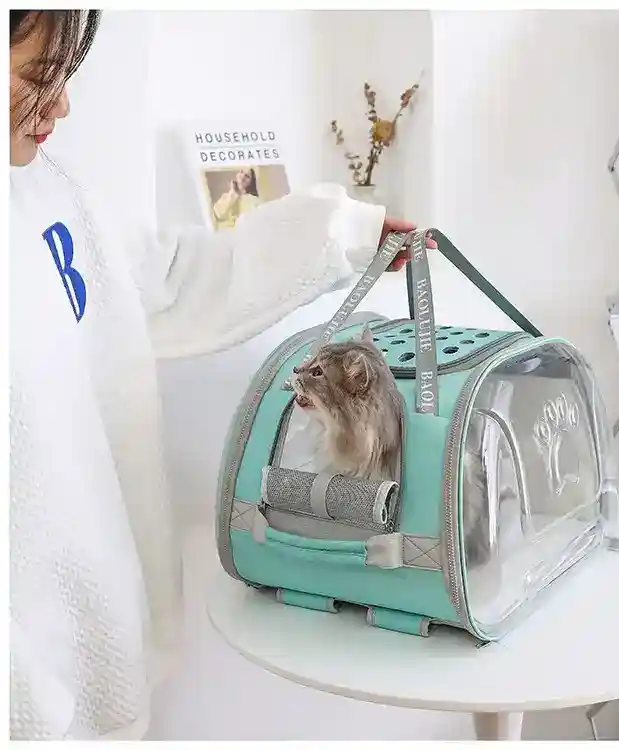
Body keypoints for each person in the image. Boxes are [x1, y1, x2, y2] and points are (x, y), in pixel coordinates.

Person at [9, 9, 433, 741]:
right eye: (39, 78)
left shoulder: (47, 193)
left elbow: (166, 278)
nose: (63, 106)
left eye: (65, 75)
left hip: (92, 644)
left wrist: (345, 235)